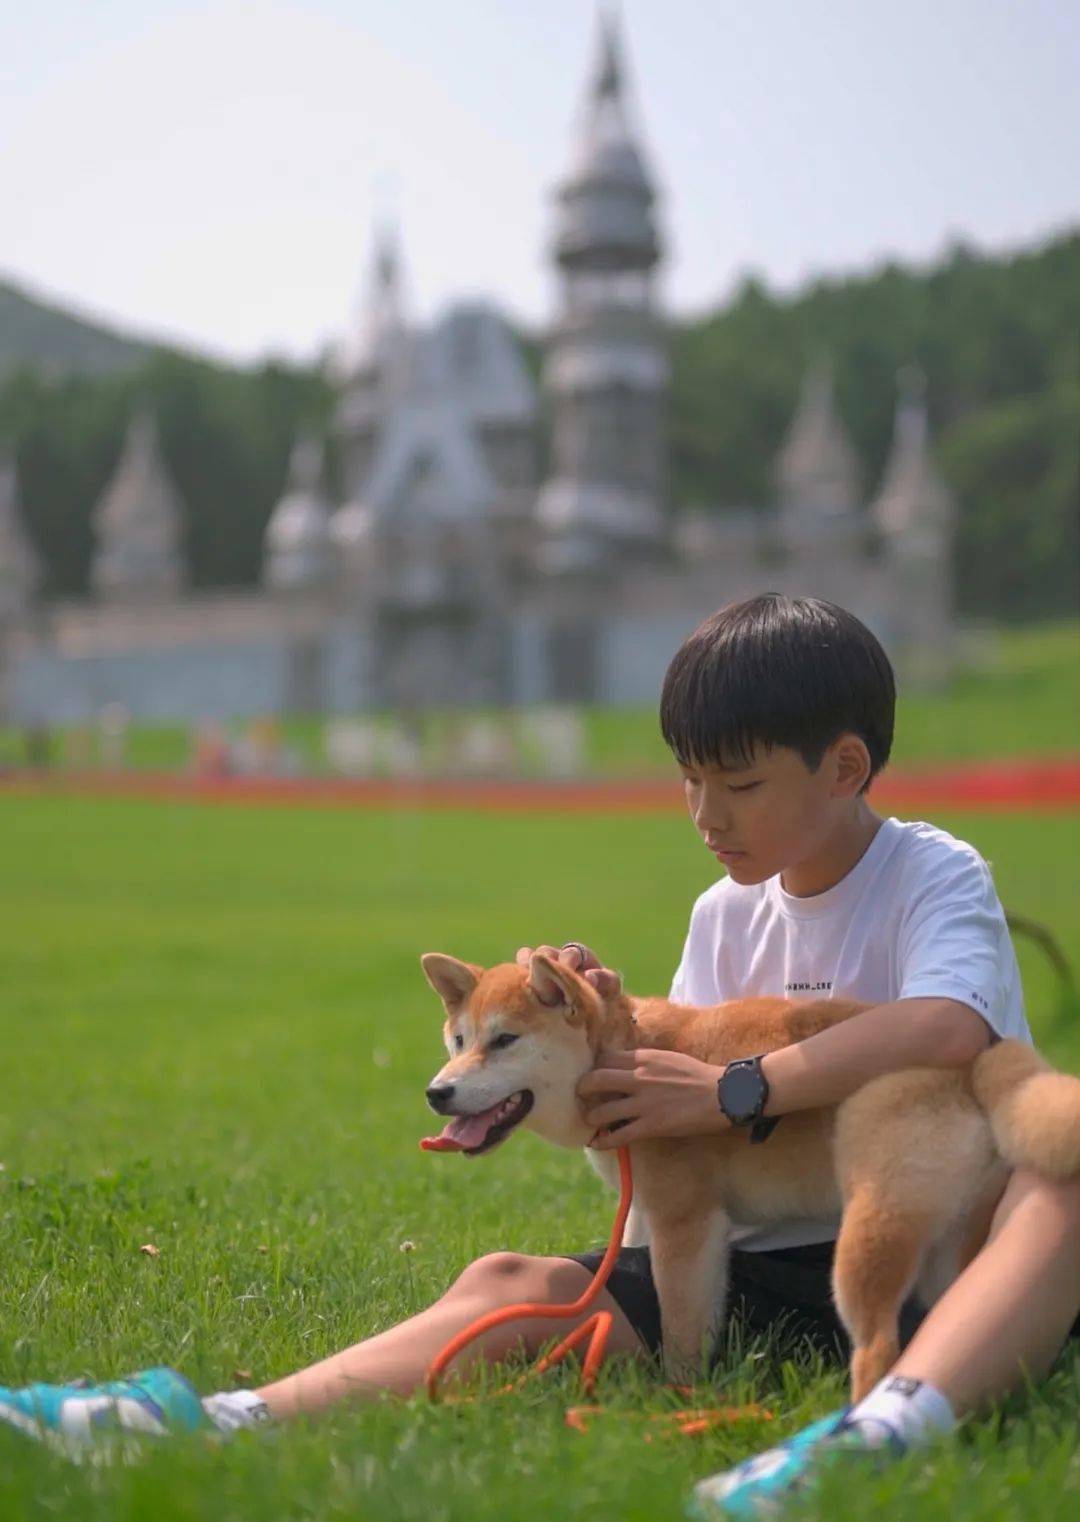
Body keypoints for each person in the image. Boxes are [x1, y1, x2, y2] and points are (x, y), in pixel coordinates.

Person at [2, 595, 1077, 1519]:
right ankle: (206, 1417)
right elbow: (684, 1122)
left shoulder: (931, 873)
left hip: (958, 1259)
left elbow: (945, 1028)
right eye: (688, 779)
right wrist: (610, 1032)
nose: (705, 814)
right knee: (508, 1280)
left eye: (739, 784)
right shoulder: (723, 911)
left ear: (845, 767)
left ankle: (883, 1427)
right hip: (766, 1268)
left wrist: (737, 1084)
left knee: (1060, 1176)